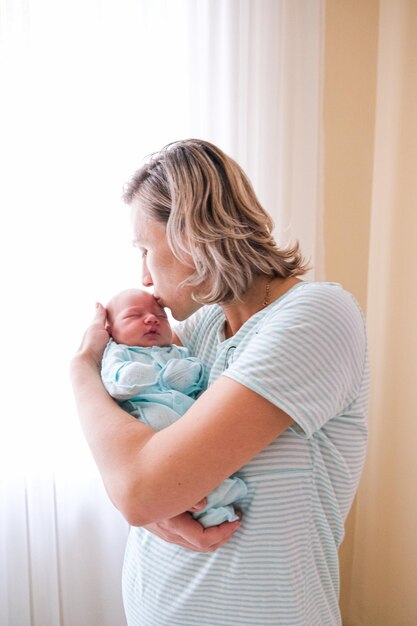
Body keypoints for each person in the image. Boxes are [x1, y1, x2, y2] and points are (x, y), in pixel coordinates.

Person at [70, 138, 369, 626]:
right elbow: (130, 443)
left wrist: (81, 367)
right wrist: (157, 501)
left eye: (146, 249)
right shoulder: (205, 326)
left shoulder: (315, 318)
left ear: (191, 234)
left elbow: (137, 489)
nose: (144, 278)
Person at [101, 287, 247, 528]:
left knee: (200, 462)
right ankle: (201, 505)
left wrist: (184, 373)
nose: (150, 319)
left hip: (186, 422)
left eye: (160, 317)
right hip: (150, 421)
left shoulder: (175, 350)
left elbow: (196, 374)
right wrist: (140, 374)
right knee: (176, 469)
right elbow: (116, 382)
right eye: (134, 316)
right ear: (111, 331)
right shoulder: (118, 353)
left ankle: (217, 500)